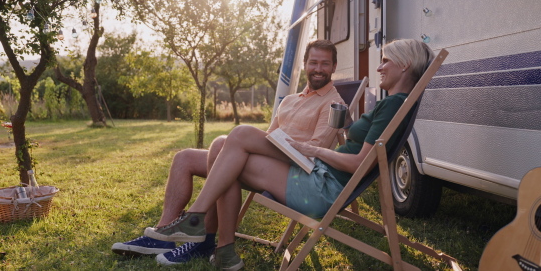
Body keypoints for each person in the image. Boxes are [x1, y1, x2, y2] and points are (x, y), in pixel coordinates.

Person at [141, 39, 434, 270]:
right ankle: (222, 249)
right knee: (226, 149)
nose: (380, 67)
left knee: (238, 136)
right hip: (321, 178)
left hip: (321, 186)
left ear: (405, 65)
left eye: (385, 61)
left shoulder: (392, 105)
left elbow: (359, 162)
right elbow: (356, 146)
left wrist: (312, 149)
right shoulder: (392, 104)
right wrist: (345, 125)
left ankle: (196, 224)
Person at [111, 39, 344, 265]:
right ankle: (162, 236)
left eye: (325, 64)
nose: (318, 69)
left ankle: (200, 227)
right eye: (313, 62)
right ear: (305, 64)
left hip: (296, 168)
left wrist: (270, 145)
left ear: (334, 67)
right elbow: (270, 136)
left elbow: (316, 154)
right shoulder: (290, 100)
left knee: (235, 137)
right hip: (271, 158)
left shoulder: (335, 104)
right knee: (186, 158)